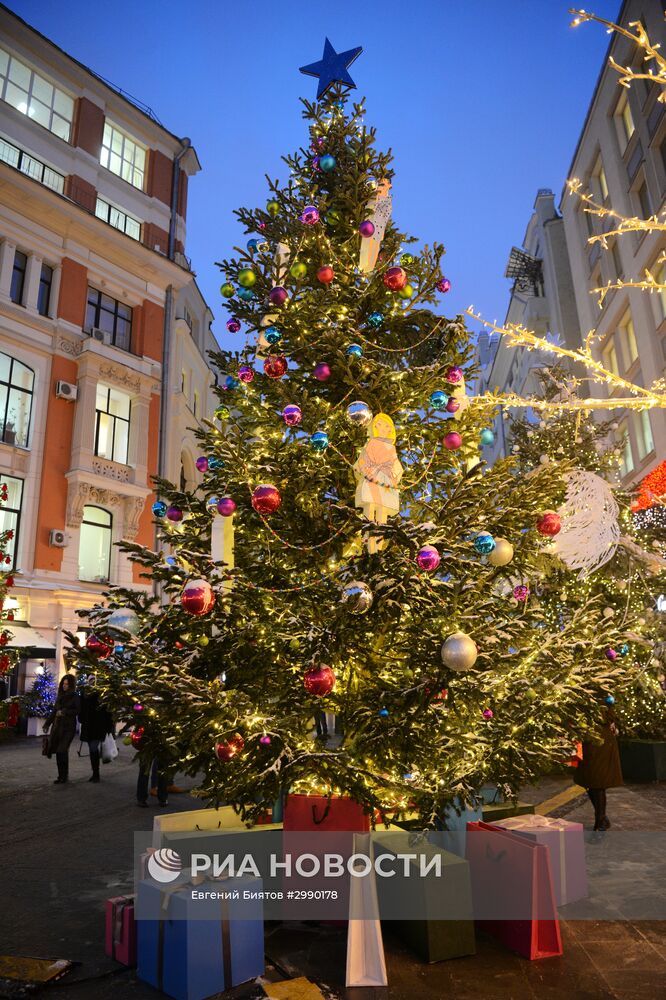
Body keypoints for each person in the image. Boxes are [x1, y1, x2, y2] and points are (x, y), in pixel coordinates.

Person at [574, 703, 623, 831]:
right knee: (590, 780)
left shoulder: (605, 696)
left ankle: (600, 820)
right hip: (588, 738)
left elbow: (610, 711)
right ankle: (602, 818)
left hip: (601, 739)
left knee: (597, 781)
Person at [43, 674, 80, 785]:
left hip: (69, 728)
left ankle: (64, 776)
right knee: (59, 752)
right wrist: (46, 724)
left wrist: (64, 712)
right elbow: (54, 712)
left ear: (71, 685)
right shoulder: (60, 696)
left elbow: (78, 710)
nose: (65, 686)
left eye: (67, 684)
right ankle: (61, 776)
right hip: (58, 727)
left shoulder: (75, 696)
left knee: (62, 750)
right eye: (63, 684)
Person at [79, 686, 114, 783]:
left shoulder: (102, 694)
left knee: (93, 748)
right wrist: (81, 718)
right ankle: (94, 772)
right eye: (90, 680)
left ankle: (96, 774)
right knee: (92, 749)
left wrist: (108, 727)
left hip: (98, 726)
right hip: (88, 726)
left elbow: (108, 712)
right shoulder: (84, 694)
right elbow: (81, 709)